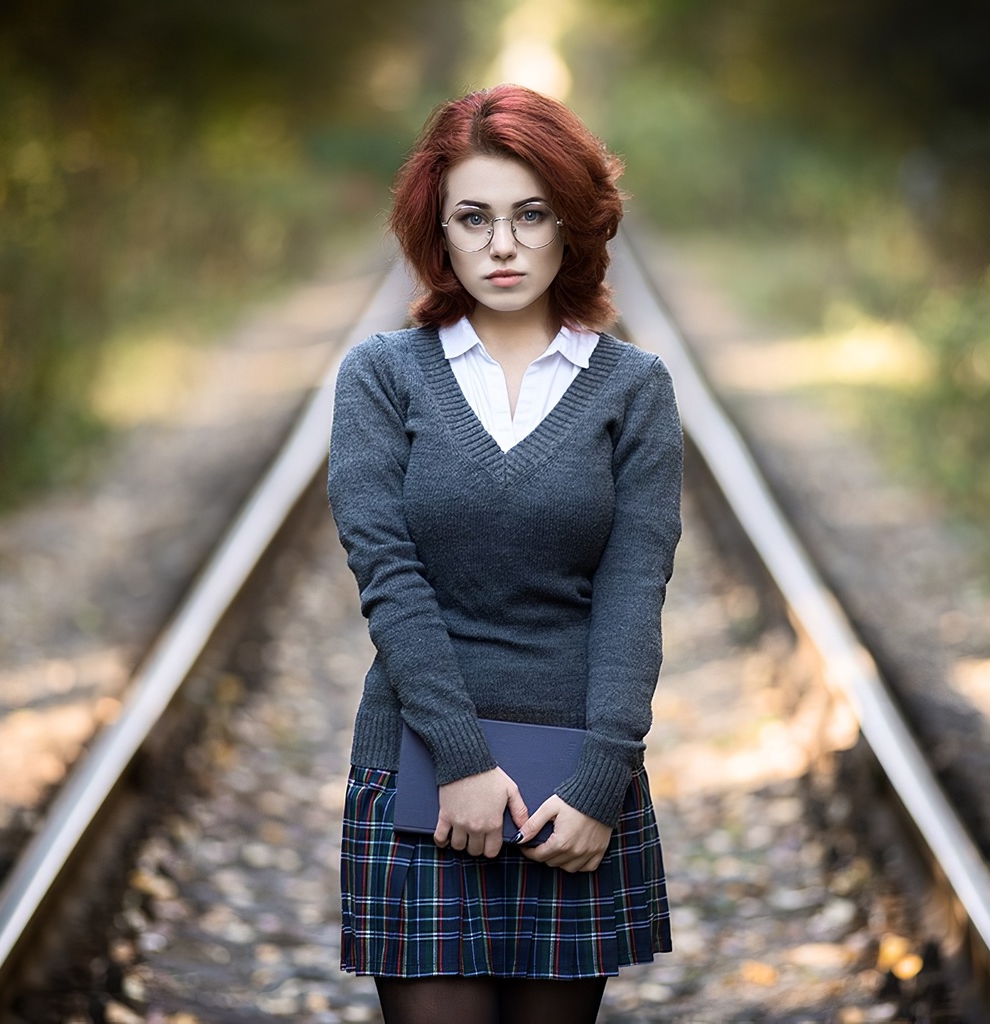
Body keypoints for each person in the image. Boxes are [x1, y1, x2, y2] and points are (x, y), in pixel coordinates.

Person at [327, 84, 683, 1024]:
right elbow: (390, 580)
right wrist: (461, 761)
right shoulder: (381, 377)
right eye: (473, 218)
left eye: (531, 215)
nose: (503, 244)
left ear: (574, 226)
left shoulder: (634, 389)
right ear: (436, 233)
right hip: (418, 770)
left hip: (573, 788)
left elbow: (633, 593)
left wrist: (603, 783)